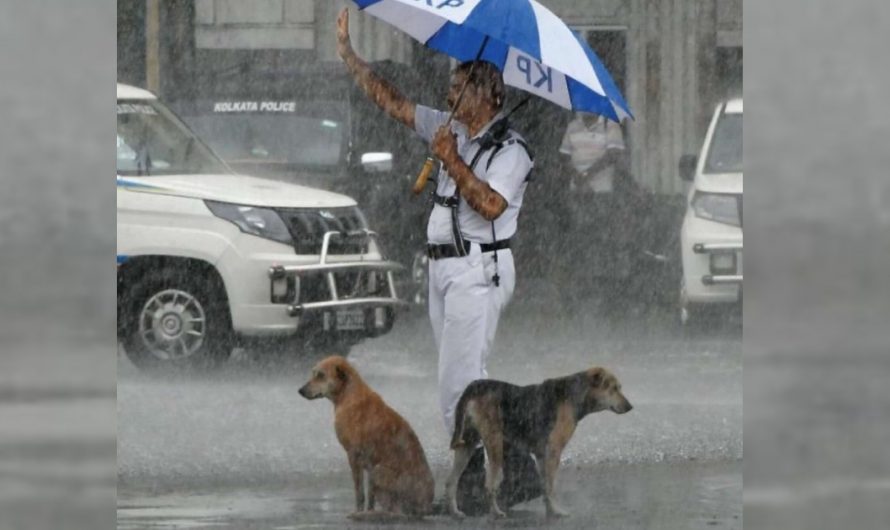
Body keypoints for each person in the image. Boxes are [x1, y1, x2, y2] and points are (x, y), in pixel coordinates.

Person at [336, 8, 539, 513]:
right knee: (469, 382)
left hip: (479, 269)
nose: (448, 98)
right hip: (445, 270)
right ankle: (513, 473)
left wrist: (450, 158)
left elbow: (491, 205)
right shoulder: (451, 127)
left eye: (457, 89)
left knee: (459, 387)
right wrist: (351, 57)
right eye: (449, 89)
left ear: (487, 93)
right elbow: (396, 104)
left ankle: (480, 482)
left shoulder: (511, 150)